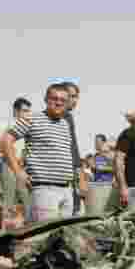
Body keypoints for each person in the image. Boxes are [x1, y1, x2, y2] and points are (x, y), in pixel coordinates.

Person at [2, 84, 89, 222]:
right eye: (54, 98)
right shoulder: (32, 118)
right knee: (43, 235)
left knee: (65, 236)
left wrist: (79, 179)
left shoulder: (65, 124)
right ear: (46, 99)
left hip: (66, 190)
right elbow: (6, 139)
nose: (59, 102)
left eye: (63, 100)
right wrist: (18, 171)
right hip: (44, 189)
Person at [0, 97, 33, 225]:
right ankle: (5, 231)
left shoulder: (28, 126)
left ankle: (27, 228)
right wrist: (8, 152)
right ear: (15, 111)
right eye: (24, 111)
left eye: (29, 111)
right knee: (9, 199)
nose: (27, 114)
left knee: (27, 198)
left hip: (23, 167)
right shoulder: (7, 124)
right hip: (8, 164)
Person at [57, 81, 87, 215]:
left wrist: (80, 175)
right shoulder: (55, 117)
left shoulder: (68, 117)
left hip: (68, 177)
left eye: (76, 97)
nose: (75, 100)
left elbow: (73, 148)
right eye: (72, 96)